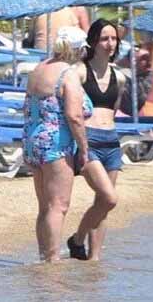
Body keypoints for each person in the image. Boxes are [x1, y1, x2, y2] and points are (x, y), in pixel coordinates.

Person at [23, 26, 92, 263]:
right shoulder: (67, 74)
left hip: (32, 140)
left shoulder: (39, 68)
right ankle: (52, 260)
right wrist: (84, 148)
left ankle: (44, 256)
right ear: (78, 50)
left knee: (44, 206)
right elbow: (74, 116)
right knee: (58, 205)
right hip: (55, 143)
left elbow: (28, 107)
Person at [67, 20, 123, 262]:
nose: (110, 43)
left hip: (112, 141)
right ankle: (77, 239)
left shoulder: (119, 76)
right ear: (93, 42)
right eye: (104, 38)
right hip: (89, 140)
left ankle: (94, 260)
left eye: (114, 39)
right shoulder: (80, 71)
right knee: (109, 198)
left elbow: (114, 109)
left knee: (103, 204)